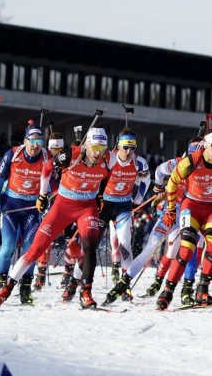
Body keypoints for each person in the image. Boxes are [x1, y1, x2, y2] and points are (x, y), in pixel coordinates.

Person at [0, 127, 111, 311]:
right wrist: (42, 195)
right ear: (86, 145)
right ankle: (7, 288)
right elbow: (46, 169)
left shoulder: (109, 158)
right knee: (36, 249)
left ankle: (85, 292)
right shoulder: (71, 155)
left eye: (102, 148)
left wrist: (100, 195)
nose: (97, 153)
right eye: (94, 148)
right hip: (62, 206)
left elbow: (106, 177)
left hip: (87, 207)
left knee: (90, 245)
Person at [155, 128, 212, 310]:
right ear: (205, 145)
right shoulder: (192, 161)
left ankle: (202, 289)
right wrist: (171, 209)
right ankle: (167, 292)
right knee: (186, 249)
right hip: (191, 207)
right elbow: (171, 183)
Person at [0, 123, 49, 302]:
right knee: (8, 247)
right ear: (25, 140)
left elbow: (54, 181)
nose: (36, 145)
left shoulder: (46, 157)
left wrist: (48, 196)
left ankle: (25, 288)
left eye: (39, 141)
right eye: (33, 140)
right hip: (11, 206)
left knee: (30, 250)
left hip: (32, 210)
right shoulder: (13, 154)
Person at [137, 137, 206, 305]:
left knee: (191, 248)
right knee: (172, 251)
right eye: (192, 154)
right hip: (175, 211)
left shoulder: (206, 166)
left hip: (194, 212)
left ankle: (187, 290)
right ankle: (157, 282)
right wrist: (158, 190)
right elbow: (160, 171)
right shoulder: (178, 163)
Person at [93, 128, 149, 302]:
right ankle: (75, 283)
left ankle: (124, 285)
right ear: (118, 145)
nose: (128, 151)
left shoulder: (140, 163)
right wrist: (95, 197)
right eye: (125, 147)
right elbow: (94, 175)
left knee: (125, 243)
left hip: (124, 206)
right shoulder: (108, 158)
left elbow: (146, 180)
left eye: (132, 147)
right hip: (105, 205)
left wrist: (138, 200)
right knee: (91, 243)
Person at [33, 132, 66, 290]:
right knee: (45, 238)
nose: (57, 152)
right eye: (54, 149)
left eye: (59, 149)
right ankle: (40, 273)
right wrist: (42, 196)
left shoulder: (68, 160)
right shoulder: (45, 161)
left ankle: (69, 272)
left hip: (67, 204)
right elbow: (42, 182)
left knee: (71, 238)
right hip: (50, 204)